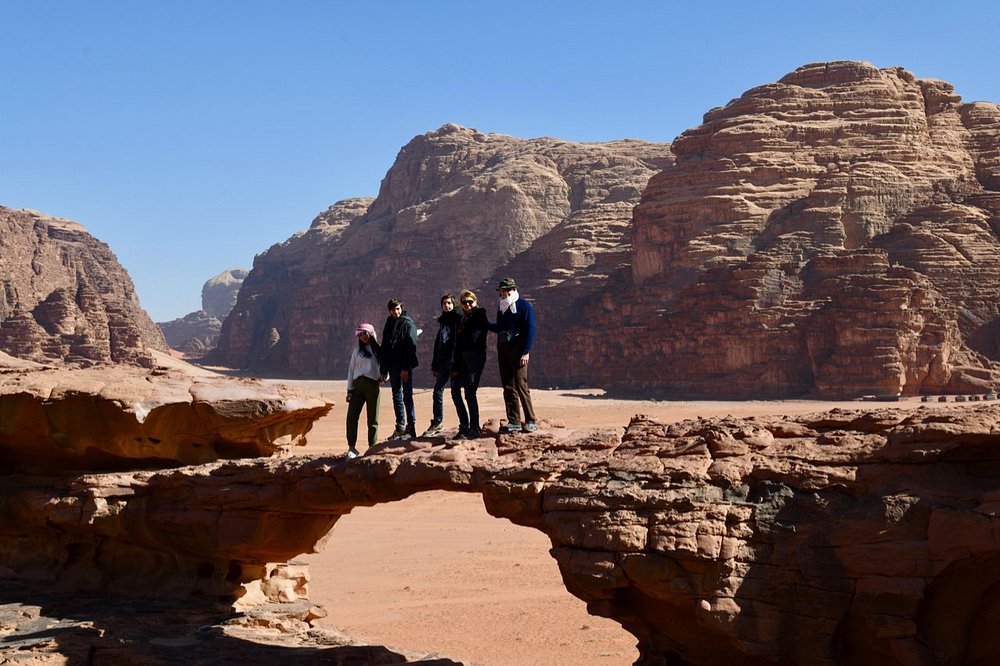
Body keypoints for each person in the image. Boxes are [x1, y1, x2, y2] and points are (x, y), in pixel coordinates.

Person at [492, 277, 537, 433]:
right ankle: (514, 421)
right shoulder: (502, 308)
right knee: (508, 386)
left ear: (514, 290)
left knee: (521, 384)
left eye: (507, 290)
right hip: (503, 350)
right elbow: (499, 328)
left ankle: (530, 420)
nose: (505, 293)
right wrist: (484, 324)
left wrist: (526, 351)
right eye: (502, 291)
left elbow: (530, 329)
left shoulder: (524, 306)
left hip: (518, 352)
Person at [450, 289, 489, 440]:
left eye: (470, 302)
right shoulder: (461, 319)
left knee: (470, 392)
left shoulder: (480, 315)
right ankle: (465, 426)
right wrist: (455, 365)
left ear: (475, 301)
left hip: (475, 359)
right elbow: (457, 343)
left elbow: (474, 338)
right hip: (462, 360)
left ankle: (475, 427)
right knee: (456, 392)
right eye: (464, 302)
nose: (467, 305)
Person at [380, 297, 419, 440]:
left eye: (397, 309)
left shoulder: (408, 323)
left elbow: (411, 348)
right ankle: (400, 427)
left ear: (401, 308)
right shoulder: (389, 323)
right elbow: (385, 346)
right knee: (396, 396)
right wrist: (383, 370)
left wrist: (405, 368)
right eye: (392, 310)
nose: (395, 312)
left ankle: (411, 427)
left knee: (407, 396)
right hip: (392, 366)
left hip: (404, 366)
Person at [423, 293, 460, 436]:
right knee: (437, 391)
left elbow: (459, 343)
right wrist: (435, 364)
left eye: (449, 303)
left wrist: (457, 364)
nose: (447, 305)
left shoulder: (458, 319)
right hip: (443, 362)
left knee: (456, 393)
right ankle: (438, 422)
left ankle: (466, 423)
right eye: (444, 303)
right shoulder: (443, 321)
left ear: (454, 304)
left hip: (454, 362)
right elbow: (438, 344)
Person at [345, 323, 381, 458]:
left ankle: (372, 446)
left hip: (373, 385)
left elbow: (385, 367)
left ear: (370, 333)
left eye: (364, 333)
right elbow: (351, 370)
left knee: (373, 418)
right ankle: (351, 447)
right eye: (359, 335)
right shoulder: (357, 351)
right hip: (358, 386)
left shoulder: (378, 350)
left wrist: (385, 376)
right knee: (352, 417)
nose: (362, 337)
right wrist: (349, 390)